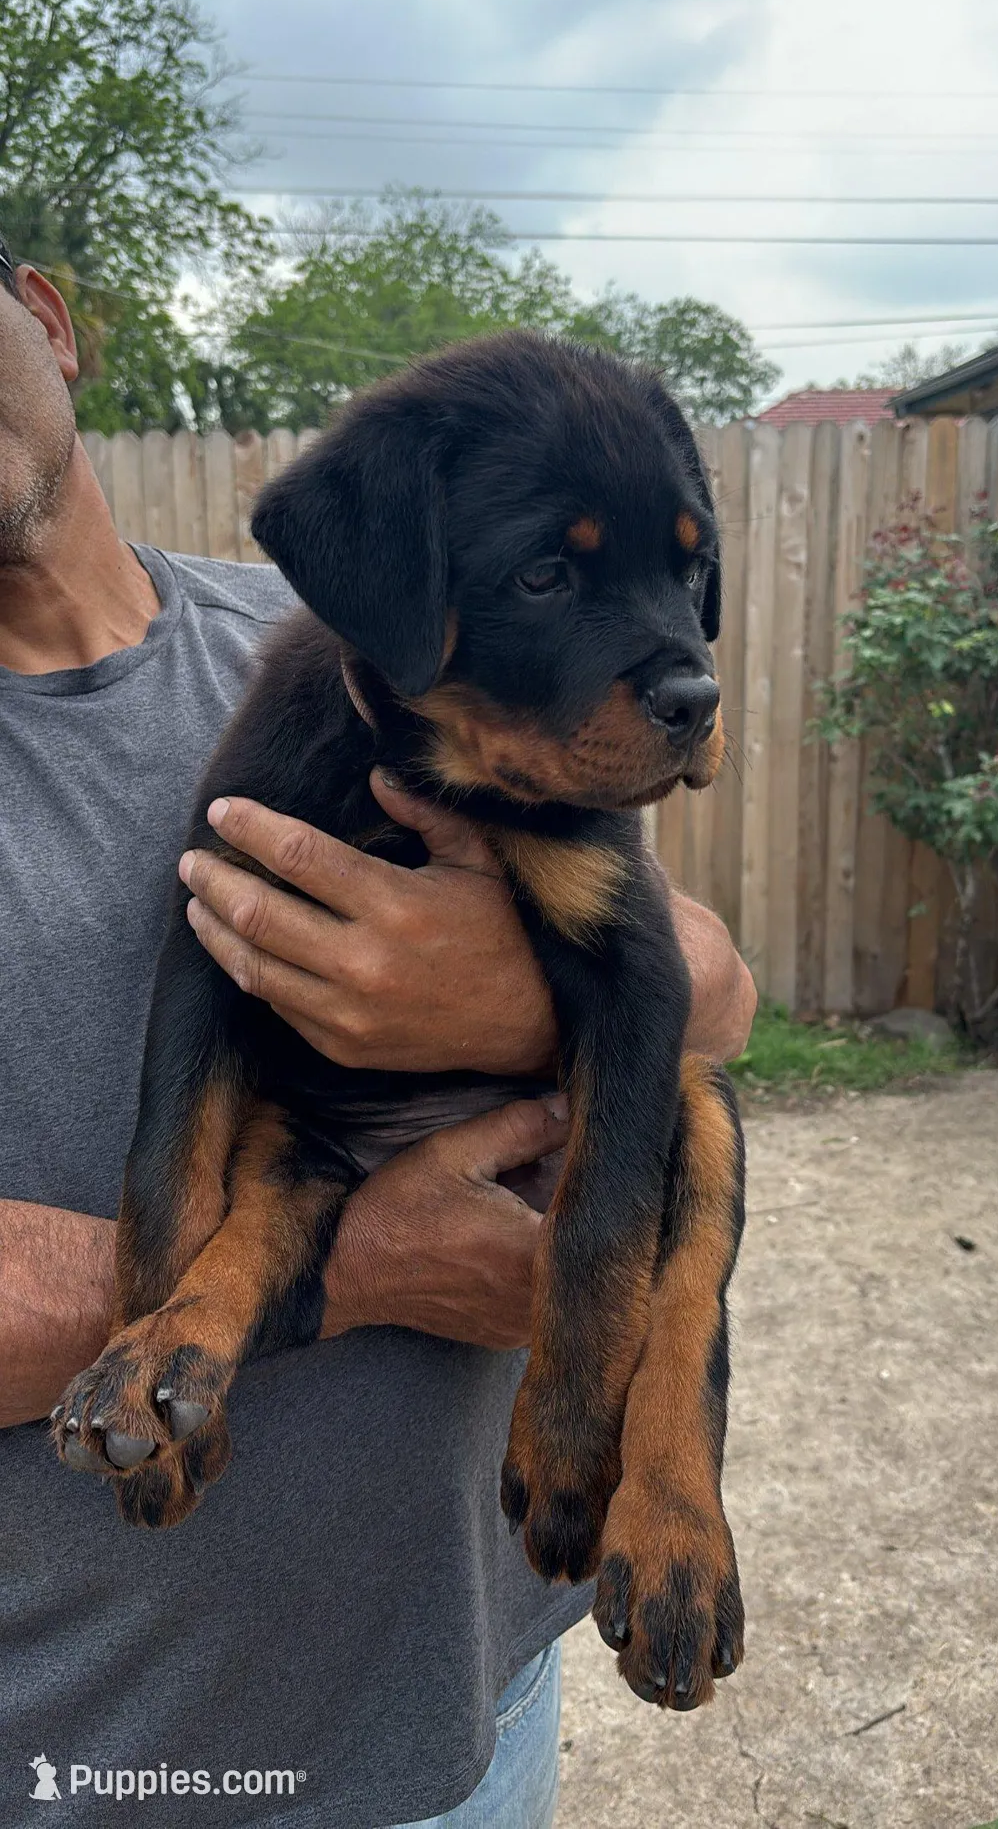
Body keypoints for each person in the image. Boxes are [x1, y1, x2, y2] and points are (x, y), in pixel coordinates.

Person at [0, 238, 757, 1829]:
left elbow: (705, 995)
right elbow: (213, 1064)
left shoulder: (294, 630)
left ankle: (674, 1457)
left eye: (679, 578)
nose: (676, 662)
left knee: (700, 1127)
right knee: (270, 1171)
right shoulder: (341, 680)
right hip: (93, 1754)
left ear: (47, 321)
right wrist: (335, 1269)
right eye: (555, 577)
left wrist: (507, 994)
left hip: (467, 1688)